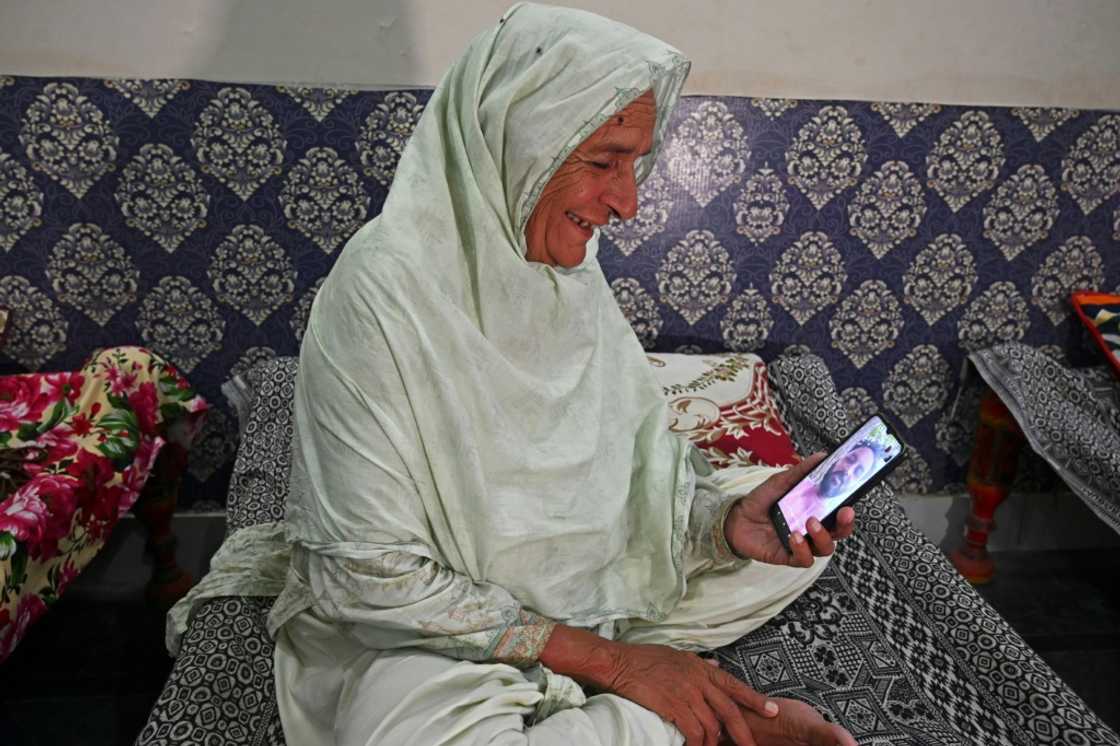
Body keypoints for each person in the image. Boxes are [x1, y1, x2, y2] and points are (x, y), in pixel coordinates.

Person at [257, 5, 859, 745]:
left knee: (783, 554)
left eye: (636, 164)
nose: (628, 202)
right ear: (518, 141)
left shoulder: (567, 278)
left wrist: (721, 531)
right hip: (433, 628)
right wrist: (620, 664)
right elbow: (365, 578)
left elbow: (625, 476)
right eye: (603, 162)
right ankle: (692, 725)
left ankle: (638, 703)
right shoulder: (381, 292)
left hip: (583, 581)